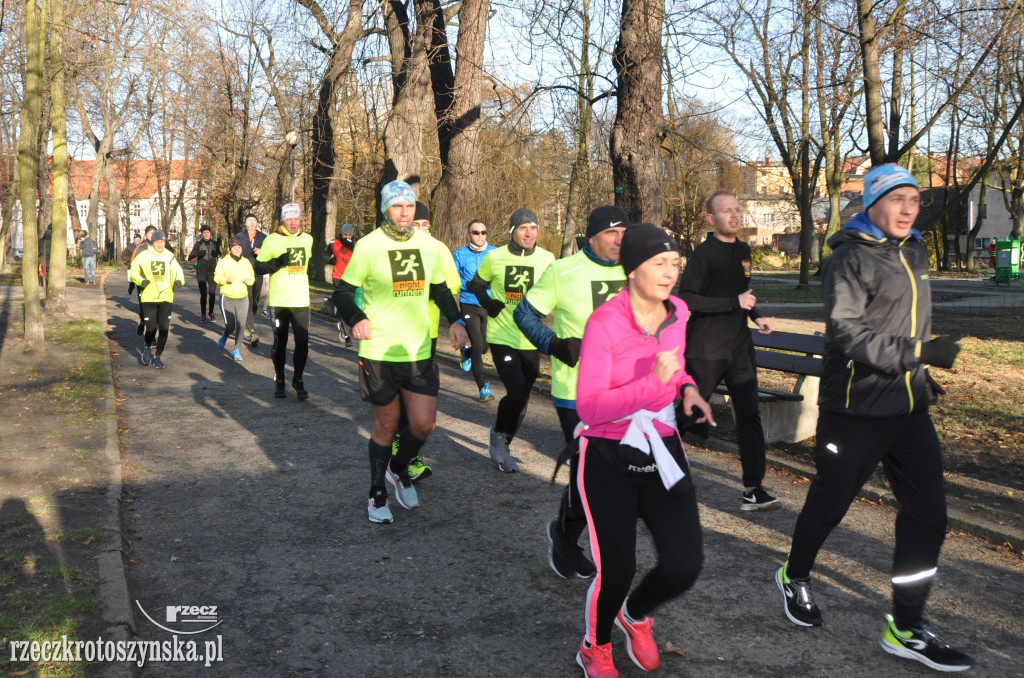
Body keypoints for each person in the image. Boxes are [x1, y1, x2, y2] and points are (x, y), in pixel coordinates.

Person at [775, 164, 971, 671]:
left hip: (908, 407)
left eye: (915, 200)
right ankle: (794, 575)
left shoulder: (915, 250)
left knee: (930, 517)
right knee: (832, 502)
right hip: (856, 409)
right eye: (898, 198)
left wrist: (918, 373)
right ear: (872, 202)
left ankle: (906, 626)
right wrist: (918, 353)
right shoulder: (848, 256)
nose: (909, 209)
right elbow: (847, 333)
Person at [574, 223, 713, 677]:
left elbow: (676, 368)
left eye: (675, 263)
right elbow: (590, 407)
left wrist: (688, 388)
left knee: (684, 563)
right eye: (659, 263)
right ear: (632, 269)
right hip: (608, 455)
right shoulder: (605, 323)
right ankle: (594, 645)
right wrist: (651, 383)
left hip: (663, 448)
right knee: (617, 567)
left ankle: (634, 613)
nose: (670, 272)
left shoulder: (678, 311)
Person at [332, 180, 469, 524]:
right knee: (387, 426)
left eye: (409, 206)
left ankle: (398, 467)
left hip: (419, 349)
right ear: (385, 210)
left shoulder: (428, 245)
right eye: (397, 206)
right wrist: (357, 318)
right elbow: (343, 292)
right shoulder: (368, 246)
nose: (405, 212)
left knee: (424, 426)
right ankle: (377, 493)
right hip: (379, 351)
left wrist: (456, 320)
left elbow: (438, 287)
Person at [514, 205, 630, 580]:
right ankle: (575, 542)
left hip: (628, 390)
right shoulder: (563, 271)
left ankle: (564, 534)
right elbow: (525, 314)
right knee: (595, 474)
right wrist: (554, 344)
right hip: (578, 391)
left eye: (623, 233)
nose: (618, 240)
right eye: (611, 233)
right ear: (592, 236)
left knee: (608, 476)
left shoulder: (636, 270)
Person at [675, 190, 780, 511]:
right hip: (706, 349)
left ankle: (753, 488)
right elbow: (687, 297)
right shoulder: (704, 255)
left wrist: (756, 316)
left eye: (737, 209)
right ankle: (646, 465)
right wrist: (732, 303)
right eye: (726, 211)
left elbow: (743, 294)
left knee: (749, 416)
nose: (734, 215)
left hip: (739, 349)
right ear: (711, 219)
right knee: (686, 415)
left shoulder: (745, 250)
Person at [468, 208, 555, 473]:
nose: (529, 233)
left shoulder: (548, 259)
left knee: (523, 399)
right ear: (512, 231)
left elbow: (556, 292)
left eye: (533, 228)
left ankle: (503, 441)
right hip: (502, 335)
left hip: (531, 338)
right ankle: (497, 436)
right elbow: (475, 286)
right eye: (523, 228)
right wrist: (488, 303)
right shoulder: (495, 258)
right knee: (516, 392)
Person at [254, 204, 313, 399]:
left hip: (301, 300)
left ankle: (298, 379)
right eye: (290, 219)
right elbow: (259, 267)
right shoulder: (272, 240)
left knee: (302, 343)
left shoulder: (308, 239)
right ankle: (280, 378)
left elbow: (309, 264)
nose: (294, 222)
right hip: (279, 301)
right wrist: (278, 262)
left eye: (297, 218)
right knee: (281, 344)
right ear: (283, 220)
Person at [452, 219, 497, 402]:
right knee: (478, 344)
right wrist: (468, 284)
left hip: (487, 303)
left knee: (485, 347)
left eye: (483, 232)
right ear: (468, 235)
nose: (480, 236)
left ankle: (467, 353)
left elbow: (501, 276)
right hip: (469, 303)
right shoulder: (460, 254)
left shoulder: (494, 252)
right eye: (476, 232)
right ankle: (483, 388)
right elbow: (453, 278)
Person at [129, 229, 185, 369]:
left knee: (164, 329)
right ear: (152, 242)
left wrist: (179, 280)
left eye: (162, 242)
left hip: (166, 297)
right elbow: (133, 270)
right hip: (149, 297)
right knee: (151, 328)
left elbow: (179, 271)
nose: (160, 244)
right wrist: (140, 281)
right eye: (157, 242)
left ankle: (157, 356)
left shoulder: (170, 256)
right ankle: (147, 347)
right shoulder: (144, 255)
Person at [214, 236, 256, 361]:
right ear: (230, 249)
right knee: (231, 325)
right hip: (228, 297)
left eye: (239, 248)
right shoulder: (223, 261)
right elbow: (216, 277)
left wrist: (250, 281)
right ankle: (225, 335)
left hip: (243, 297)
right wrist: (225, 280)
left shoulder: (246, 262)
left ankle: (237, 349)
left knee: (242, 324)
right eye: (234, 248)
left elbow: (252, 277)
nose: (237, 250)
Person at [234, 213, 267, 346]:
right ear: (245, 223)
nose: (252, 223)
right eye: (249, 220)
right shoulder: (239, 236)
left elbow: (269, 253)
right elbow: (234, 251)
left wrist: (262, 251)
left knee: (254, 301)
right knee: (247, 300)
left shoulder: (263, 237)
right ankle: (251, 330)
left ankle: (247, 323)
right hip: (245, 273)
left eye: (254, 221)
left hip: (258, 272)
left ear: (257, 223)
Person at [327, 222, 357, 347]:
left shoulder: (357, 242)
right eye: (345, 234)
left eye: (350, 235)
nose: (348, 237)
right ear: (341, 233)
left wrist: (353, 247)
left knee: (352, 304)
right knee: (345, 304)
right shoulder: (334, 243)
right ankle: (347, 337)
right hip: (338, 277)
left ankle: (341, 319)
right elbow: (325, 254)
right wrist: (330, 260)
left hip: (353, 277)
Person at [187, 225, 221, 322]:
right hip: (201, 272)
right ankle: (203, 314)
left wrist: (217, 255)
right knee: (204, 294)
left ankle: (211, 312)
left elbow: (220, 255)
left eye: (208, 232)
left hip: (212, 272)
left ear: (211, 233)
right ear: (202, 234)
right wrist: (198, 255)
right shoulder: (198, 244)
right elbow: (190, 258)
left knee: (212, 293)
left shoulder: (215, 243)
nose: (206, 234)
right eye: (204, 233)